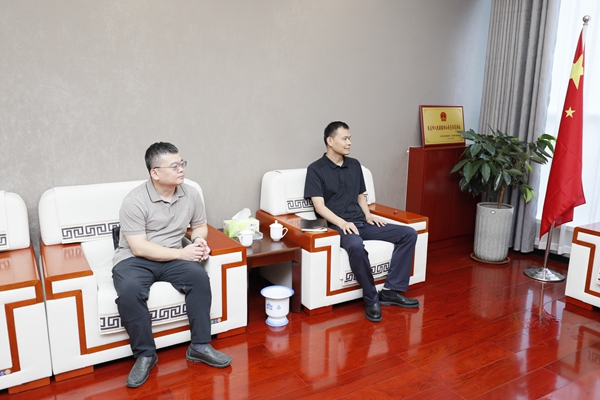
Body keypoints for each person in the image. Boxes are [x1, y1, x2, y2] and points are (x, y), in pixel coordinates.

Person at [112, 142, 232, 388]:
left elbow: (199, 225)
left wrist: (197, 241)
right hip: (136, 260)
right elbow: (139, 247)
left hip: (174, 256)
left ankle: (200, 346)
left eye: (182, 163)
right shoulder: (134, 201)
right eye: (174, 166)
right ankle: (146, 355)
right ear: (155, 172)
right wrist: (181, 254)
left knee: (199, 277)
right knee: (129, 290)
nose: (181, 169)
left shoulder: (191, 193)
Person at [304, 121, 419, 323]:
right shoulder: (315, 169)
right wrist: (342, 223)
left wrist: (369, 216)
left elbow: (360, 196)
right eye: (344, 138)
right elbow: (319, 207)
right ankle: (371, 299)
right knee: (356, 245)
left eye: (350, 138)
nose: (349, 143)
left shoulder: (355, 165)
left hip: (361, 223)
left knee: (408, 234)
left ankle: (391, 291)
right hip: (335, 227)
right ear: (330, 141)